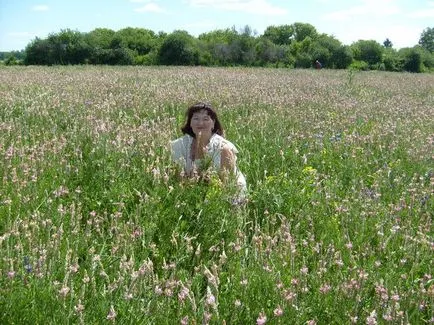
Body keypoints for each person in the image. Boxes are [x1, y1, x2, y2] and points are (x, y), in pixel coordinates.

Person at [170, 102, 247, 198]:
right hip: (192, 191)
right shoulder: (179, 145)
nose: (200, 123)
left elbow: (228, 183)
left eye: (206, 119)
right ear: (190, 123)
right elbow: (178, 179)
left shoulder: (223, 148)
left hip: (227, 192)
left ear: (213, 123)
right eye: (196, 118)